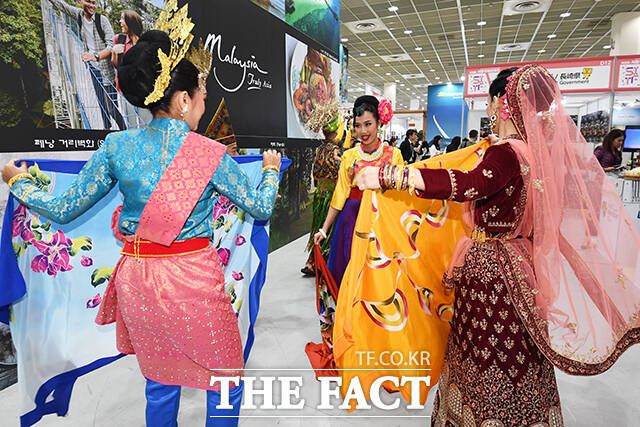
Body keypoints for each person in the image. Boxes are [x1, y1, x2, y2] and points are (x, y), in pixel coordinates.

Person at [3, 26, 282, 426]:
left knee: (161, 382)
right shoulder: (210, 153)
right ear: (183, 99)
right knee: (224, 381)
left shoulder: (117, 147)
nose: (204, 104)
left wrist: (19, 182)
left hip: (141, 281)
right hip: (193, 279)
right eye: (202, 96)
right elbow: (261, 205)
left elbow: (63, 208)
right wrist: (269, 170)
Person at [356, 65, 640, 426]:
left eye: (490, 102)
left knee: (485, 351)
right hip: (515, 263)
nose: (488, 109)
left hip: (492, 275)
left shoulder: (507, 153)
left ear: (500, 103)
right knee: (515, 348)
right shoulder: (530, 151)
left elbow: (468, 184)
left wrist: (391, 175)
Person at [314, 95, 402, 287]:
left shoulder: (394, 155)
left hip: (381, 220)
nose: (363, 131)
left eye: (368, 124)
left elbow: (400, 195)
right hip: (351, 220)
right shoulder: (349, 156)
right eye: (358, 125)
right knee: (350, 272)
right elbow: (340, 195)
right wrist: (324, 229)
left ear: (379, 123)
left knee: (378, 277)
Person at [48, 0, 126, 130]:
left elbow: (111, 46)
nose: (92, 6)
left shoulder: (102, 20)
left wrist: (95, 56)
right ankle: (107, 129)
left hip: (106, 70)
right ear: (81, 3)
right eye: (88, 2)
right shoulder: (79, 15)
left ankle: (124, 130)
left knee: (112, 108)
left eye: (94, 3)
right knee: (101, 102)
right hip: (93, 68)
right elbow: (63, 6)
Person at [301, 102, 348, 276]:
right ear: (336, 131)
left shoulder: (319, 149)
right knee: (329, 230)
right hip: (332, 197)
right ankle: (324, 263)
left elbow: (315, 173)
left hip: (320, 195)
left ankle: (313, 262)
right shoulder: (336, 152)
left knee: (317, 229)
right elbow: (342, 176)